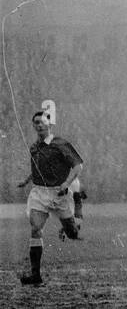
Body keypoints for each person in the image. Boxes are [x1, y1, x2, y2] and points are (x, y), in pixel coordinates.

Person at [17, 110, 83, 286]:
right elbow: (38, 169)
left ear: (49, 124)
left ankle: (71, 227)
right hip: (39, 193)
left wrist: (67, 184)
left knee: (72, 232)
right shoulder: (34, 147)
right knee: (36, 228)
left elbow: (78, 166)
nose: (39, 125)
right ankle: (35, 275)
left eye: (42, 122)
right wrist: (26, 180)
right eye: (36, 122)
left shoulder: (60, 144)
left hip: (59, 193)